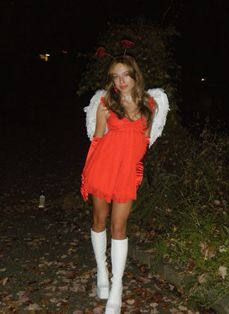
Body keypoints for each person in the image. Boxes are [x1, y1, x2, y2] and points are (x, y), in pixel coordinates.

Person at [80, 55, 167, 314]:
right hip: (103, 166)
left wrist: (133, 167)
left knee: (119, 226)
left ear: (134, 75)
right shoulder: (105, 102)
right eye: (115, 77)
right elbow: (96, 139)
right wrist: (100, 120)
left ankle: (116, 288)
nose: (120, 81)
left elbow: (145, 142)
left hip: (127, 173)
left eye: (125, 75)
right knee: (99, 219)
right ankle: (102, 272)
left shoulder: (151, 104)